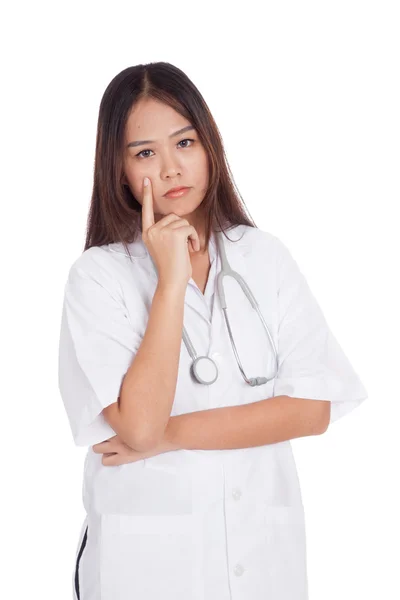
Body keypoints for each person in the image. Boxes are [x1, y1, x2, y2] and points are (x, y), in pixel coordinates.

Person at [58, 62, 368, 600]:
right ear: (120, 169)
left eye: (185, 142)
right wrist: (171, 281)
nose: (172, 168)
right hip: (146, 569)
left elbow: (312, 409)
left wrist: (169, 436)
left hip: (262, 559)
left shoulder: (263, 257)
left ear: (210, 147)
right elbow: (138, 424)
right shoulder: (98, 277)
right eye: (145, 152)